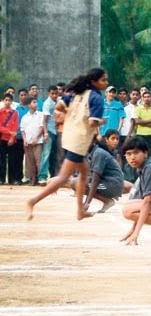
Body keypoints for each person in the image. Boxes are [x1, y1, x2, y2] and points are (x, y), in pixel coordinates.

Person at [26, 67, 108, 221]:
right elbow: (91, 122)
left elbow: (58, 107)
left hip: (69, 136)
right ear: (93, 82)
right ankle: (33, 201)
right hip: (79, 140)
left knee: (84, 172)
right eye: (103, 80)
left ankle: (80, 211)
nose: (106, 83)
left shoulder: (77, 94)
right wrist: (101, 121)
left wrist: (66, 116)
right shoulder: (97, 98)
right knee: (64, 177)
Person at [70, 141, 124, 214]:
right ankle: (107, 200)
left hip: (112, 184)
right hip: (108, 182)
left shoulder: (98, 153)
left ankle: (107, 201)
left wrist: (87, 203)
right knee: (76, 182)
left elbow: (95, 180)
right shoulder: (91, 153)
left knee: (76, 183)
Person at [37, 85, 59, 185]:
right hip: (49, 131)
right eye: (52, 94)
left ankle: (54, 176)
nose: (54, 95)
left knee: (55, 155)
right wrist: (45, 133)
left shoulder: (58, 102)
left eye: (56, 93)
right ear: (48, 94)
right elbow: (44, 120)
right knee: (46, 154)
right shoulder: (47, 103)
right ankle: (42, 176)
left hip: (57, 131)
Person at [20, 97, 44, 186]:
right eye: (34, 102)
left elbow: (42, 127)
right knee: (30, 161)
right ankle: (32, 179)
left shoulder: (40, 115)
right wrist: (25, 140)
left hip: (38, 142)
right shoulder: (25, 117)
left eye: (36, 102)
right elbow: (22, 130)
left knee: (39, 160)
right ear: (29, 105)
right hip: (28, 142)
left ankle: (41, 178)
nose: (36, 104)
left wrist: (36, 137)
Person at [0, 93, 19, 185]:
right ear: (3, 101)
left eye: (9, 100)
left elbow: (15, 127)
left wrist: (12, 137)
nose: (7, 102)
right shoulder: (0, 112)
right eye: (6, 100)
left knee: (12, 160)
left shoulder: (15, 113)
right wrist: (9, 132)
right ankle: (1, 179)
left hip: (12, 140)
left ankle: (12, 179)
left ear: (12, 102)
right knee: (1, 160)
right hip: (2, 139)